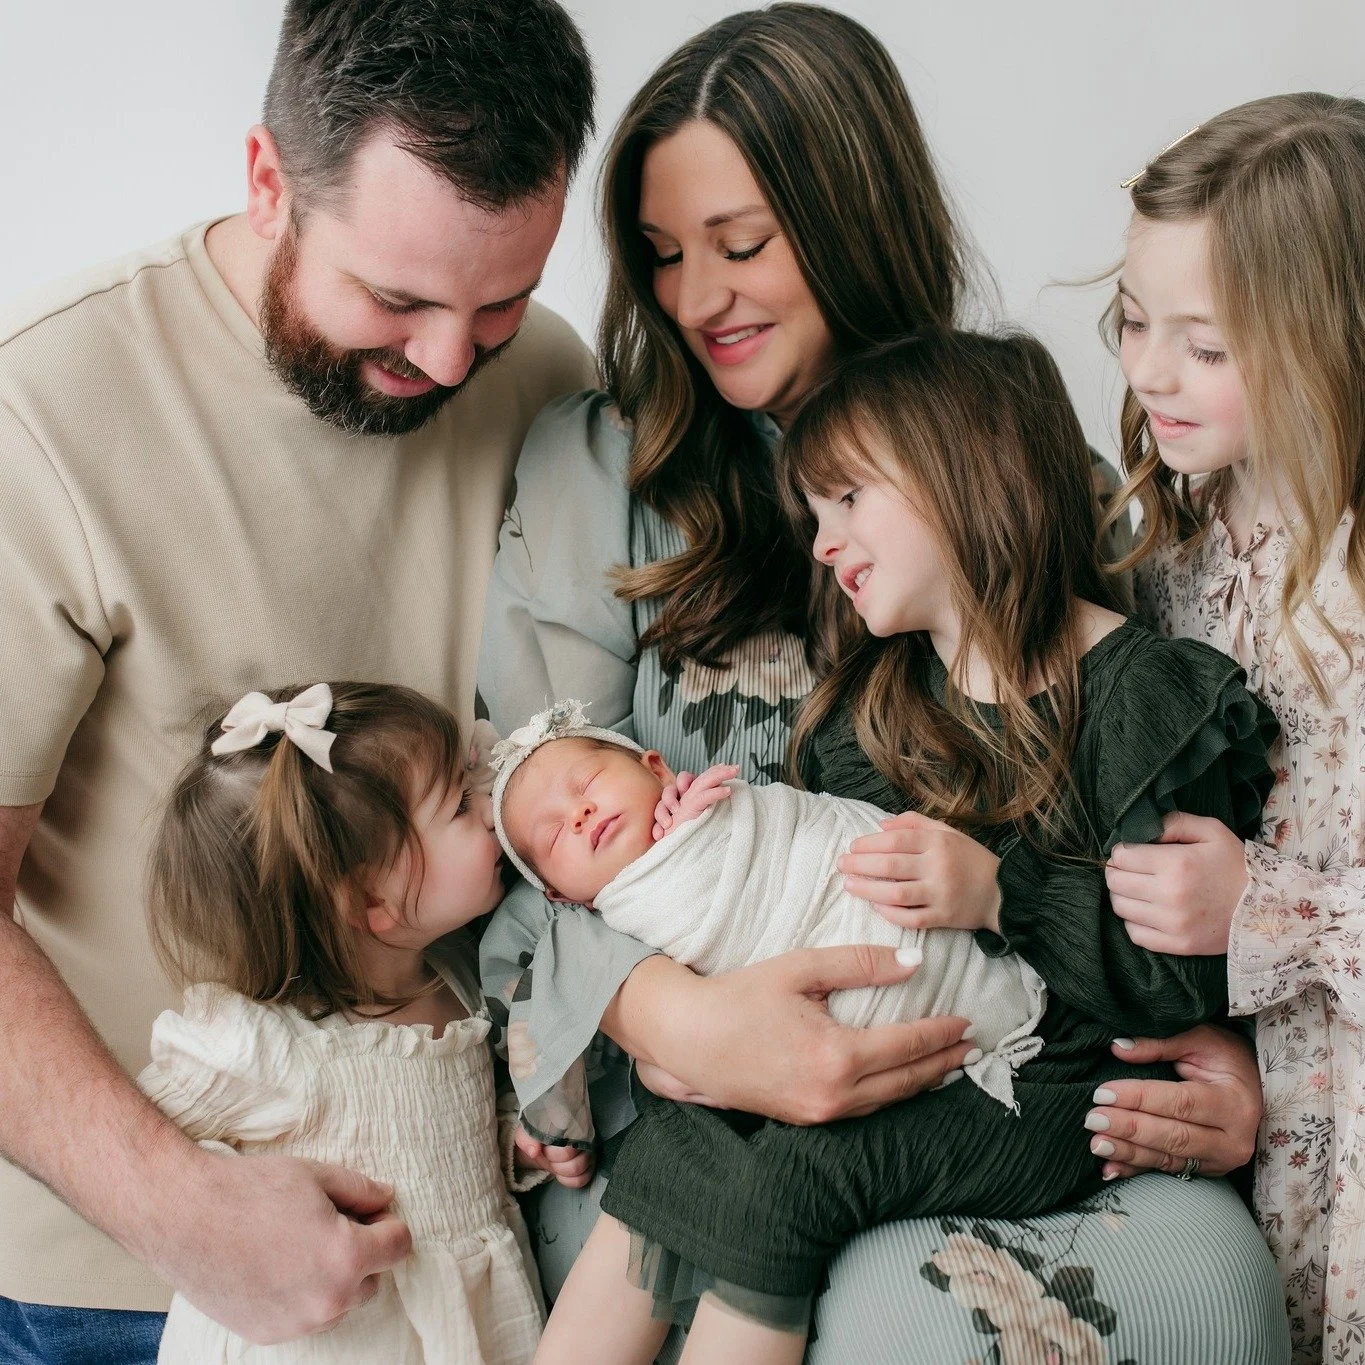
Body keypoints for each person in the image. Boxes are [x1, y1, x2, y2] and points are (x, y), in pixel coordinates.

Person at [478, 8, 1287, 1359]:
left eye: (742, 247)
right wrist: (681, 1017)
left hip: (996, 1048)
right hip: (689, 1070)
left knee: (1196, 1286)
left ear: (850, 217)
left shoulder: (1020, 465)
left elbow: (1154, 808)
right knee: (783, 1236)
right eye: (665, 257)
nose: (696, 298)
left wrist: (1227, 1053)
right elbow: (529, 838)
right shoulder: (594, 475)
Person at [0, 2, 595, 1358]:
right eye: (395, 299)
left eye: (498, 299)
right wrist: (180, 1208)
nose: (450, 361)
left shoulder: (552, 379)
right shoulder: (40, 411)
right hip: (111, 1281)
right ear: (267, 183)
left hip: (480, 1246)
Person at [1093, 93, 1365, 1365]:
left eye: (1204, 344)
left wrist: (1267, 912)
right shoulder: (1169, 568)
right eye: (1139, 322)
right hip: (1249, 1178)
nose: (1147, 372)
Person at [142, 682, 588, 1363]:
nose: (491, 810)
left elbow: (443, 1149)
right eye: (459, 806)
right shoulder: (267, 1047)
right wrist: (225, 1202)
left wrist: (511, 1142)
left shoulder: (459, 976)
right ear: (371, 898)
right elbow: (152, 1148)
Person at [491, 701, 1045, 1109]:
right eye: (554, 833)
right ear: (561, 895)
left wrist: (694, 829)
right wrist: (660, 1046)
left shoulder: (716, 803)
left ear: (656, 770)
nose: (581, 814)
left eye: (587, 782)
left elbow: (797, 833)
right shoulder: (603, 930)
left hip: (902, 908)